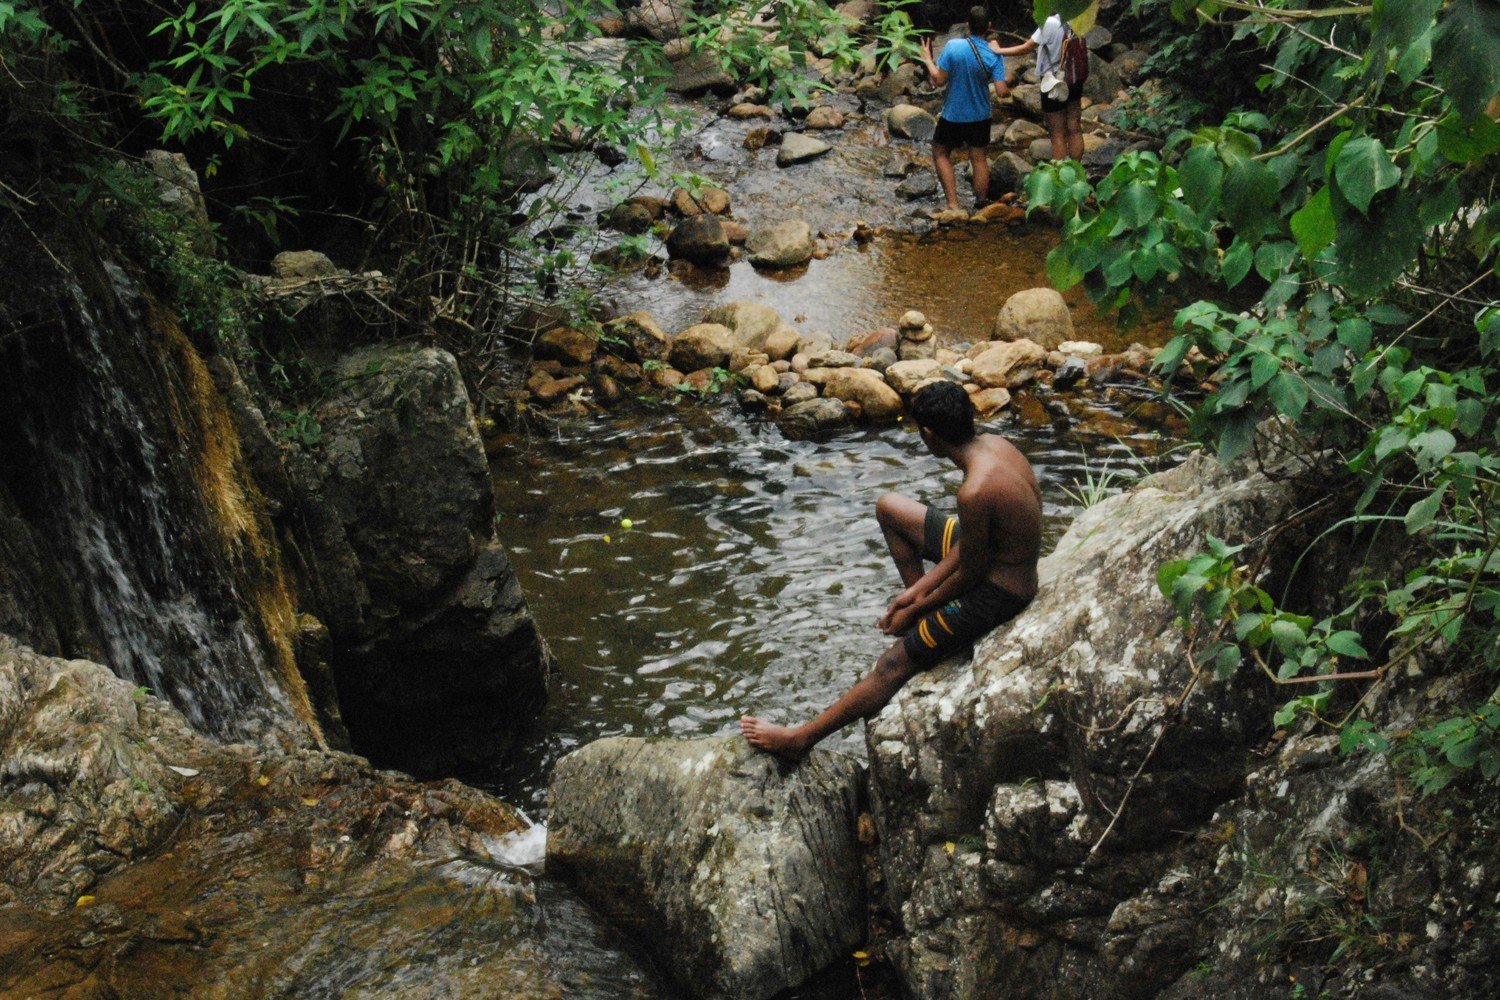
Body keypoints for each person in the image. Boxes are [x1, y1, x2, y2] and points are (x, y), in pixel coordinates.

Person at [740, 381, 1042, 759]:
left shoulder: (976, 490)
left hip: (1001, 590)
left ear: (929, 435)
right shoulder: (997, 446)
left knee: (892, 664)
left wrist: (919, 607)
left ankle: (799, 739)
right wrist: (916, 592)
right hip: (990, 555)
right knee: (890, 507)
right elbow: (973, 544)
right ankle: (926, 627)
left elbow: (972, 572)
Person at [919, 6, 1009, 216]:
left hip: (954, 114)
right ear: (989, 26)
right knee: (978, 157)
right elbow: (1002, 91)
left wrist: (927, 60)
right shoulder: (995, 54)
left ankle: (953, 204)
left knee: (941, 152)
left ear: (967, 26)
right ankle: (981, 201)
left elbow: (939, 81)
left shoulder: (953, 46)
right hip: (981, 115)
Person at [994, 14, 1083, 161]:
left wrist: (999, 50)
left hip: (1053, 81)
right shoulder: (1077, 18)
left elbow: (1026, 48)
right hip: (1074, 78)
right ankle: (1078, 170)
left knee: (1057, 134)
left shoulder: (1050, 23)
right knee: (1074, 128)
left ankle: (1060, 177)